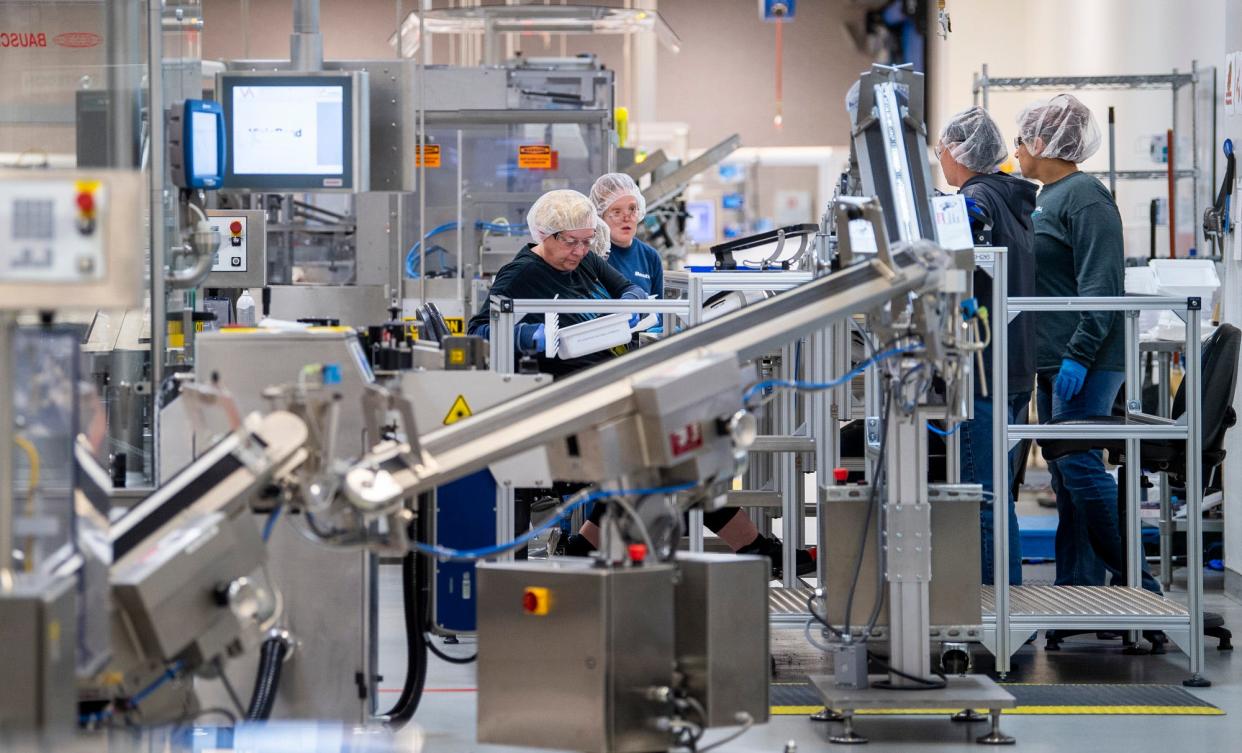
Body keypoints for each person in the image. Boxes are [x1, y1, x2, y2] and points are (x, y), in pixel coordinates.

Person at [565, 173, 815, 579]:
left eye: (632, 210)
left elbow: (661, 316)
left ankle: (583, 549)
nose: (626, 218)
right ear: (599, 215)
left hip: (647, 369)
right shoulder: (594, 256)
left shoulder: (646, 256)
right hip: (606, 373)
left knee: (665, 461)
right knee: (675, 458)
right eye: (616, 212)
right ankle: (754, 547)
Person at [1014, 94, 1159, 593]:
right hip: (1057, 357)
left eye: (1021, 137)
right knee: (1064, 478)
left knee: (1078, 463)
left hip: (1089, 358)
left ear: (1043, 142)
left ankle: (1138, 581)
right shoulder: (1047, 197)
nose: (1016, 147)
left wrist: (1078, 353)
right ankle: (1079, 587)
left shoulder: (1086, 197)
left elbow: (1102, 286)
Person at [935, 106, 1037, 586]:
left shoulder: (977, 198)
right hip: (1013, 363)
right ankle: (1006, 605)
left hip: (984, 367)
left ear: (958, 153)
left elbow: (962, 238)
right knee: (998, 495)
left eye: (941, 151)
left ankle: (993, 615)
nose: (939, 160)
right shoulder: (1014, 198)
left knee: (983, 497)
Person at [466, 189, 645, 378]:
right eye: (570, 242)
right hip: (570, 384)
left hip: (613, 369)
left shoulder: (587, 260)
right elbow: (477, 333)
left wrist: (629, 305)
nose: (579, 251)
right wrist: (523, 335)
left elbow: (630, 288)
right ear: (545, 234)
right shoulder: (522, 274)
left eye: (587, 241)